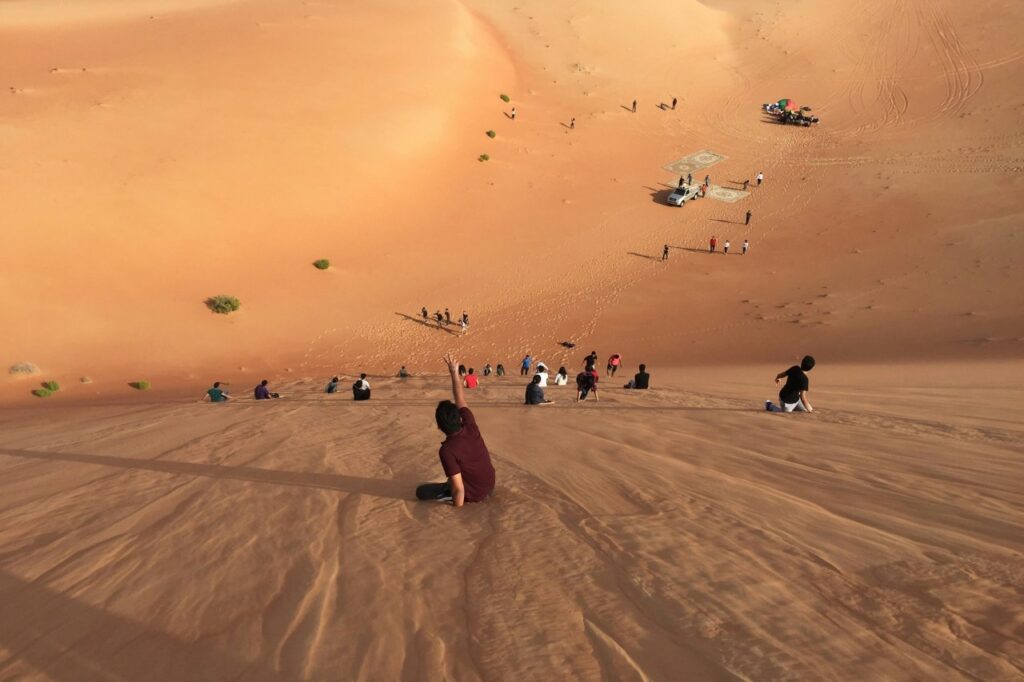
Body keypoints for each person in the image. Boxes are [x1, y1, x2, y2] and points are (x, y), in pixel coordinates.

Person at [416, 353, 496, 506]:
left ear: (439, 427)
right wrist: (454, 371)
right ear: (460, 418)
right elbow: (460, 398)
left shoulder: (447, 450)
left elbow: (459, 489)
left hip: (474, 494)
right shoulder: (470, 424)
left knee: (421, 492)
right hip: (490, 485)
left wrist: (457, 518)